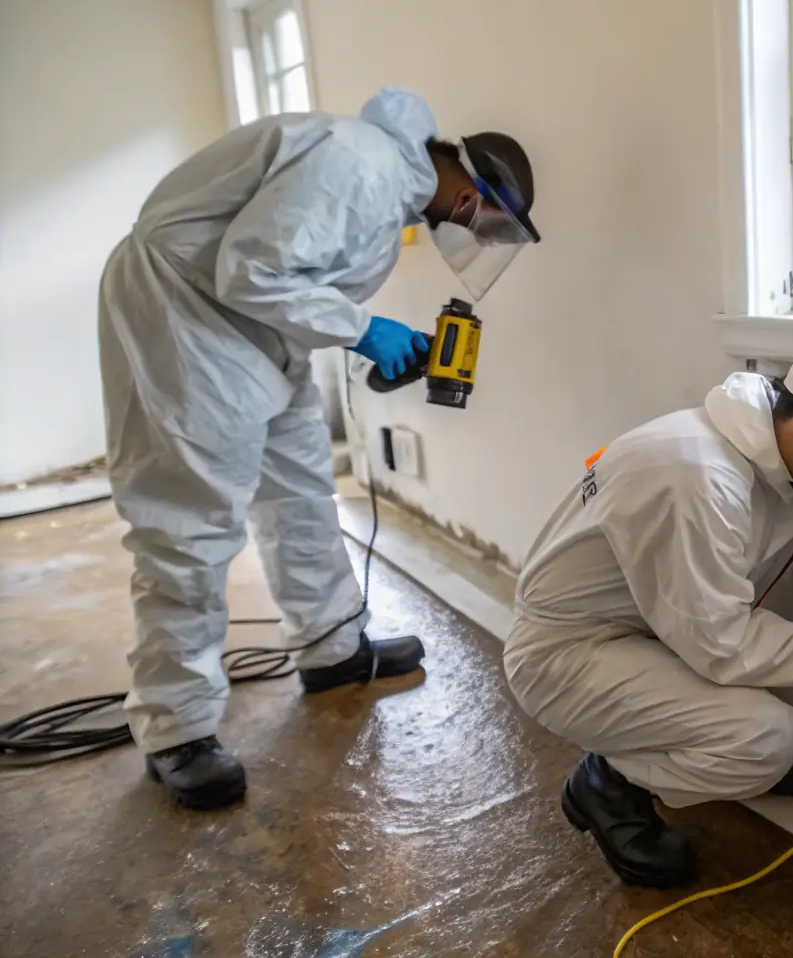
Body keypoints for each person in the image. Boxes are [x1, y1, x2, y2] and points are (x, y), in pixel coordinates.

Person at [99, 87, 539, 809]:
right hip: (185, 316)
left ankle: (332, 648)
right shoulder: (360, 162)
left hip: (249, 330)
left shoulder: (386, 186)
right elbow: (250, 270)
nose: (474, 229)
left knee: (302, 491)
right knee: (189, 521)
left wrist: (362, 338)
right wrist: (365, 330)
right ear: (471, 186)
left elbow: (288, 277)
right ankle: (175, 726)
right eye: (487, 215)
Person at [504, 335, 793, 888]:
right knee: (766, 741)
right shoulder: (700, 480)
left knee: (763, 740)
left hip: (640, 631)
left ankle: (677, 746)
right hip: (566, 657)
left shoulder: (759, 453)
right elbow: (722, 645)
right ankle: (607, 781)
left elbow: (716, 609)